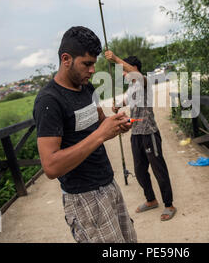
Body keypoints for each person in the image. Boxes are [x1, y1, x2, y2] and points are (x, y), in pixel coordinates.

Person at [33, 26, 137, 243]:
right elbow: (50, 166)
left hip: (108, 184)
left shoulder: (87, 89)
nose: (92, 70)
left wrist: (116, 124)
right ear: (66, 59)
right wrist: (100, 135)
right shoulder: (49, 101)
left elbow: (100, 123)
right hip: (84, 198)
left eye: (94, 64)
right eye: (87, 64)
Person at [105, 50, 177, 221]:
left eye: (124, 71)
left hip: (149, 132)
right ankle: (151, 200)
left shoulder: (145, 80)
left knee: (159, 169)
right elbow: (129, 100)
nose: (123, 74)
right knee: (139, 170)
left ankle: (169, 205)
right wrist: (117, 106)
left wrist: (115, 58)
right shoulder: (132, 86)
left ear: (133, 68)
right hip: (136, 133)